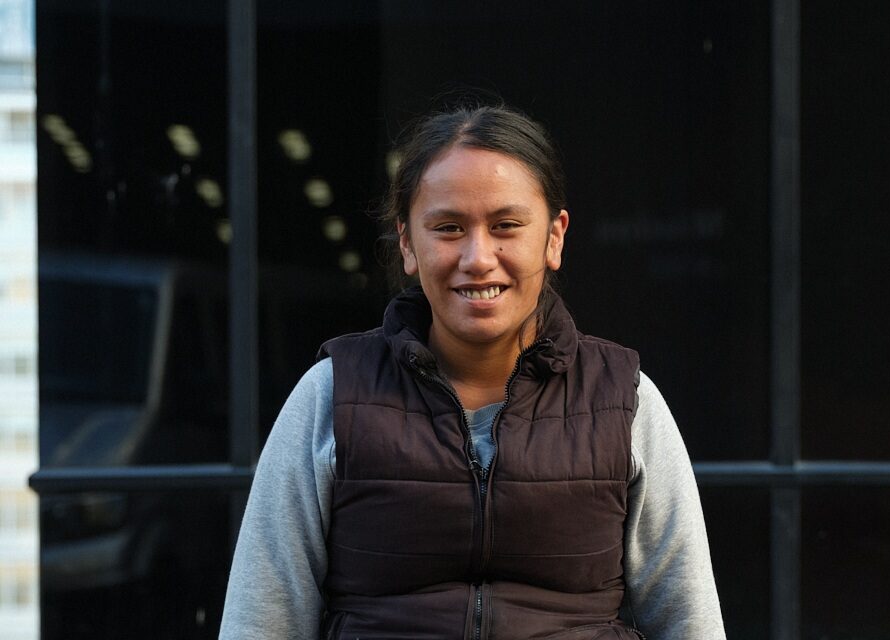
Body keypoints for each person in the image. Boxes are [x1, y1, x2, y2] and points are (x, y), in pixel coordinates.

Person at [219, 104, 726, 640]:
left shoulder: (625, 401)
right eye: (448, 228)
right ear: (408, 243)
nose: (478, 257)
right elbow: (260, 623)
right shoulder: (330, 396)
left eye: (506, 225)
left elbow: (689, 624)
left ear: (554, 236)